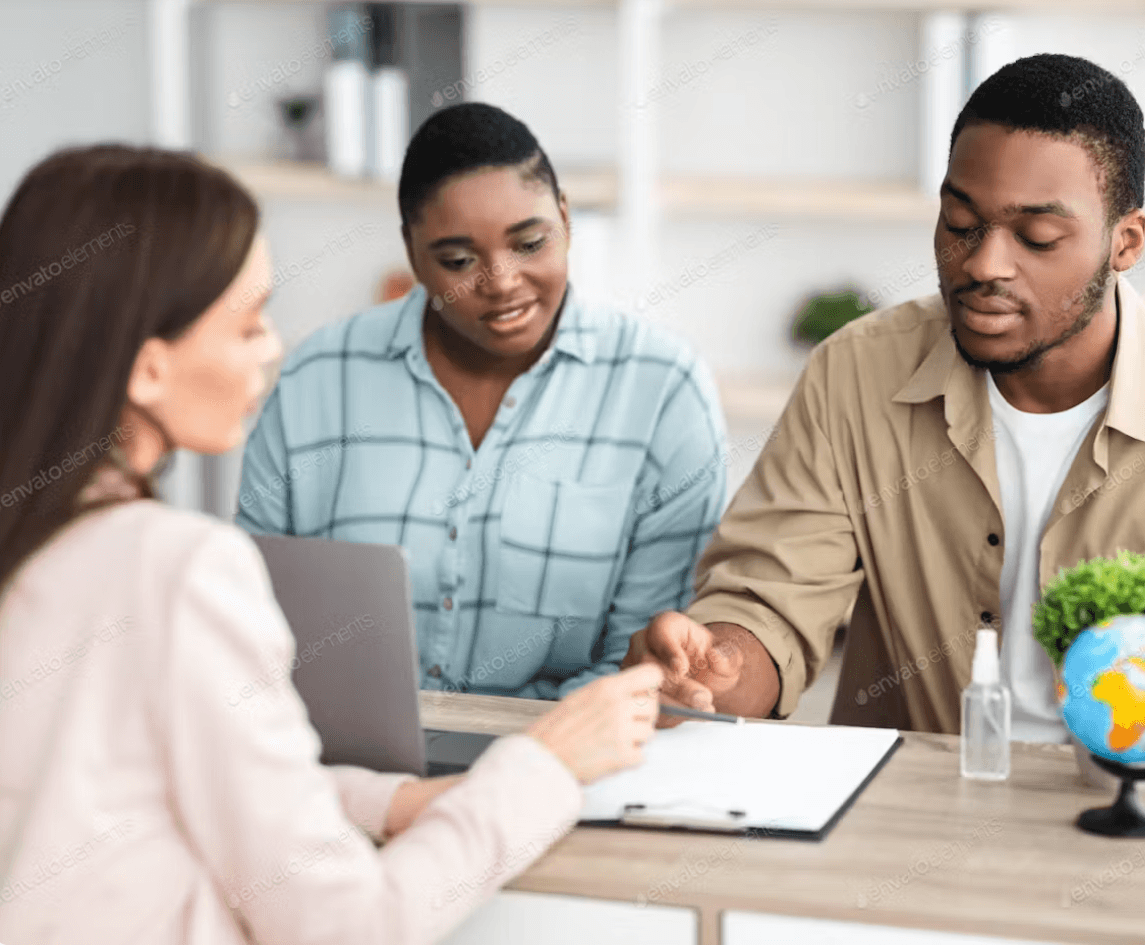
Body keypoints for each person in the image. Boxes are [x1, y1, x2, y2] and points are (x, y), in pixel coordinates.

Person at [626, 55, 1145, 944]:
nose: (983, 264)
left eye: (1036, 238)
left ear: (1126, 242)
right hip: (911, 829)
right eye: (959, 224)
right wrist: (716, 665)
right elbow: (770, 602)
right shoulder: (857, 376)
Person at [0, 144, 663, 944]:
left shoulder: (43, 542)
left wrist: (388, 802)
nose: (272, 347)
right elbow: (349, 925)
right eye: (247, 325)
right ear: (146, 371)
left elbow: (130, 789)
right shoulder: (175, 569)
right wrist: (546, 765)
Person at [237, 102, 726, 701]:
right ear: (413, 254)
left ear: (566, 222)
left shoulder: (663, 392)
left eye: (529, 242)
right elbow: (252, 614)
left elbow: (646, 661)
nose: (500, 280)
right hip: (340, 764)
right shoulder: (317, 379)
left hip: (573, 762)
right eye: (458, 260)